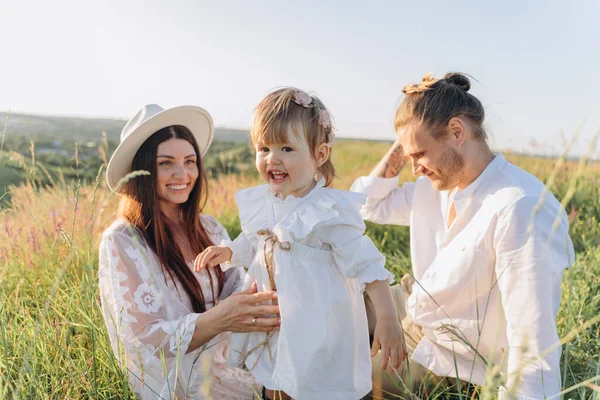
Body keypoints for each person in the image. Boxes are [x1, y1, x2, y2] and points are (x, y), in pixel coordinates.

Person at [351, 73, 575, 399]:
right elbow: (368, 205)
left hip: (450, 349)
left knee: (343, 379)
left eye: (419, 155)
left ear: (457, 132)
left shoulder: (520, 209)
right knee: (329, 300)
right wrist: (410, 137)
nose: (415, 169)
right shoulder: (439, 183)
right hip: (420, 300)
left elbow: (532, 342)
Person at [194, 88, 404, 400]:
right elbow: (255, 241)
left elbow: (367, 265)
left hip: (318, 327)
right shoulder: (266, 201)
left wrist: (387, 318)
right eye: (263, 148)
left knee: (316, 384)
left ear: (320, 154)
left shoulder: (327, 211)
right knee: (277, 379)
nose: (272, 159)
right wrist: (230, 250)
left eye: (287, 148)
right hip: (278, 322)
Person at [99, 104, 281, 399]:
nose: (182, 173)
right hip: (182, 383)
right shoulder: (122, 240)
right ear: (141, 172)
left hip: (238, 359)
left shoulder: (209, 227)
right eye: (166, 163)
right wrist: (219, 319)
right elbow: (142, 340)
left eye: (190, 160)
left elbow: (241, 288)